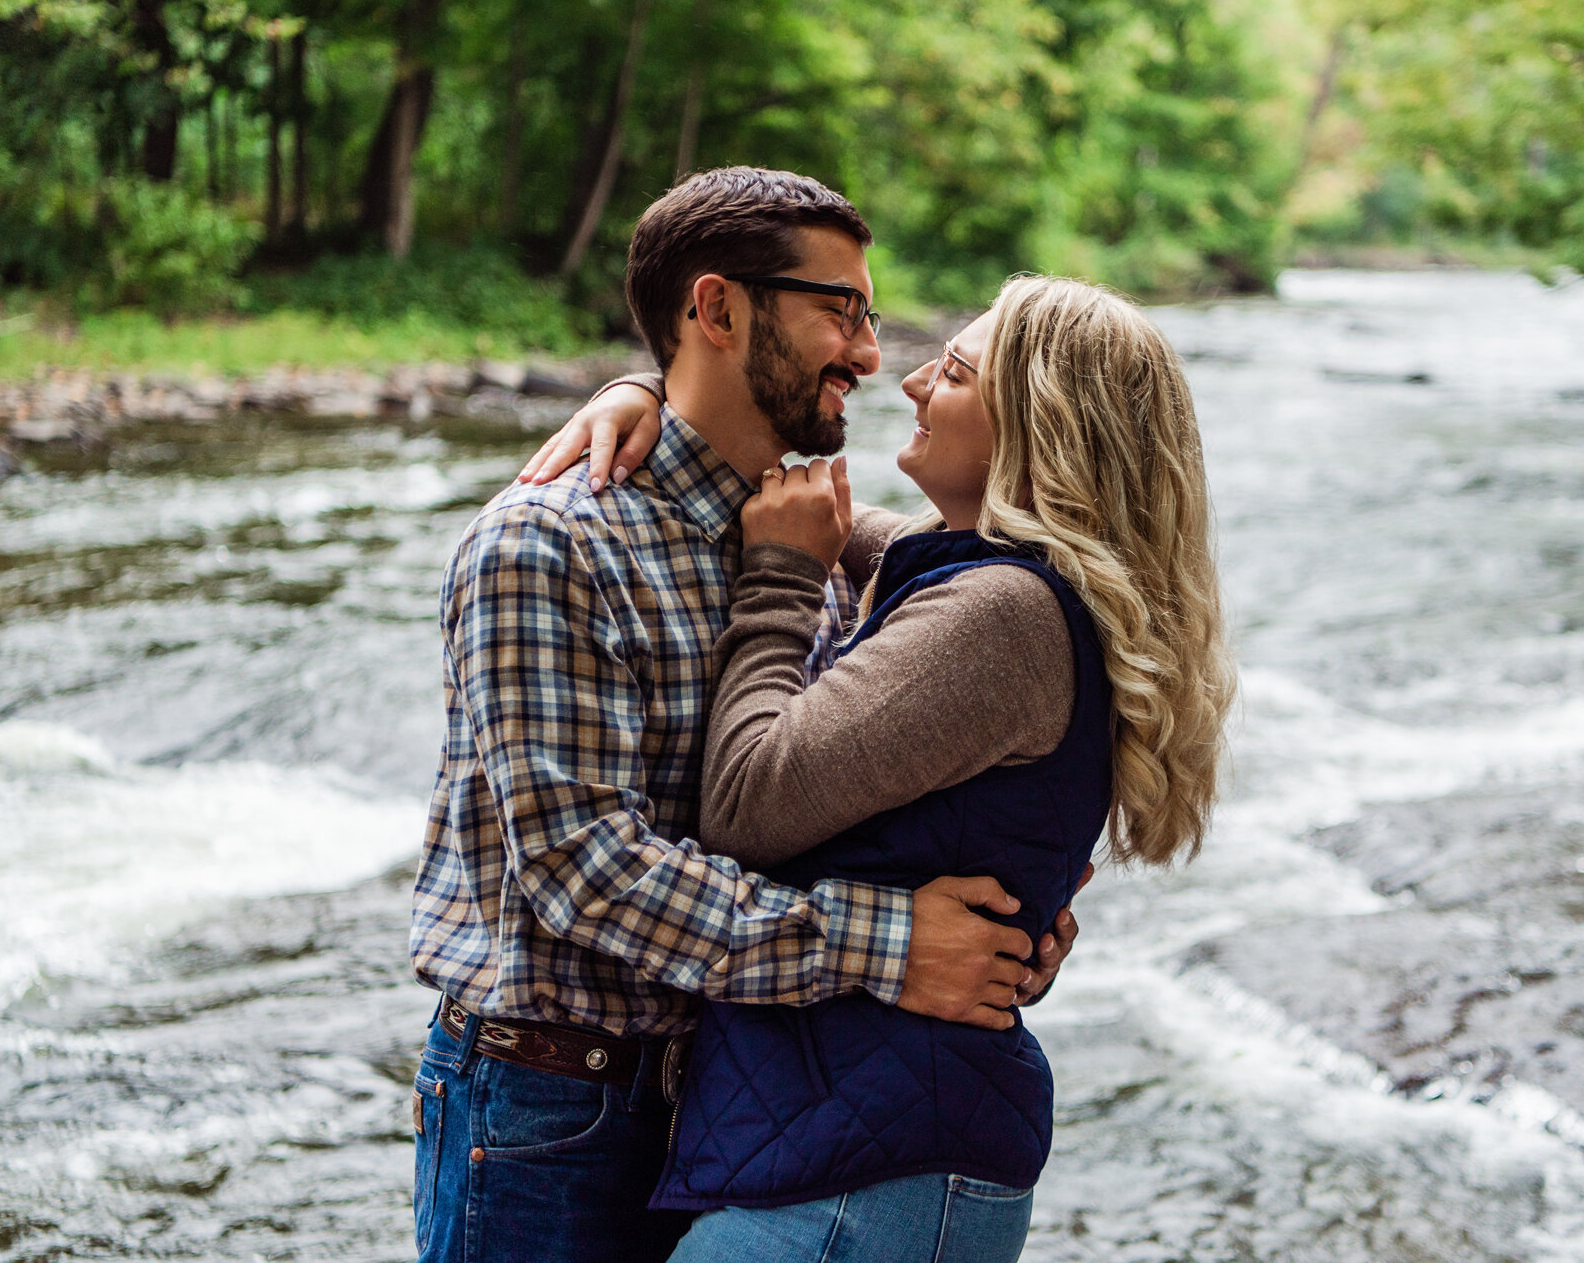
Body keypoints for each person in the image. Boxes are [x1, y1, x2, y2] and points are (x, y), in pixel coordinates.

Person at [410, 168, 1083, 1263]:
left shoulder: (805, 536)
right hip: (547, 1107)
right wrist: (890, 943)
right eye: (839, 311)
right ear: (716, 310)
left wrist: (1013, 920)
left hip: (736, 1097)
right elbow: (586, 870)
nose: (869, 355)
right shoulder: (546, 543)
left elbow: (857, 790)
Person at [527, 273, 1233, 1260]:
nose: (905, 380)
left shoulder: (999, 617)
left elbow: (745, 805)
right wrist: (650, 395)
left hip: (860, 1172)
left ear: (1040, 428)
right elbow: (787, 502)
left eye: (949, 370)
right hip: (864, 1146)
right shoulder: (992, 575)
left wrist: (779, 581)